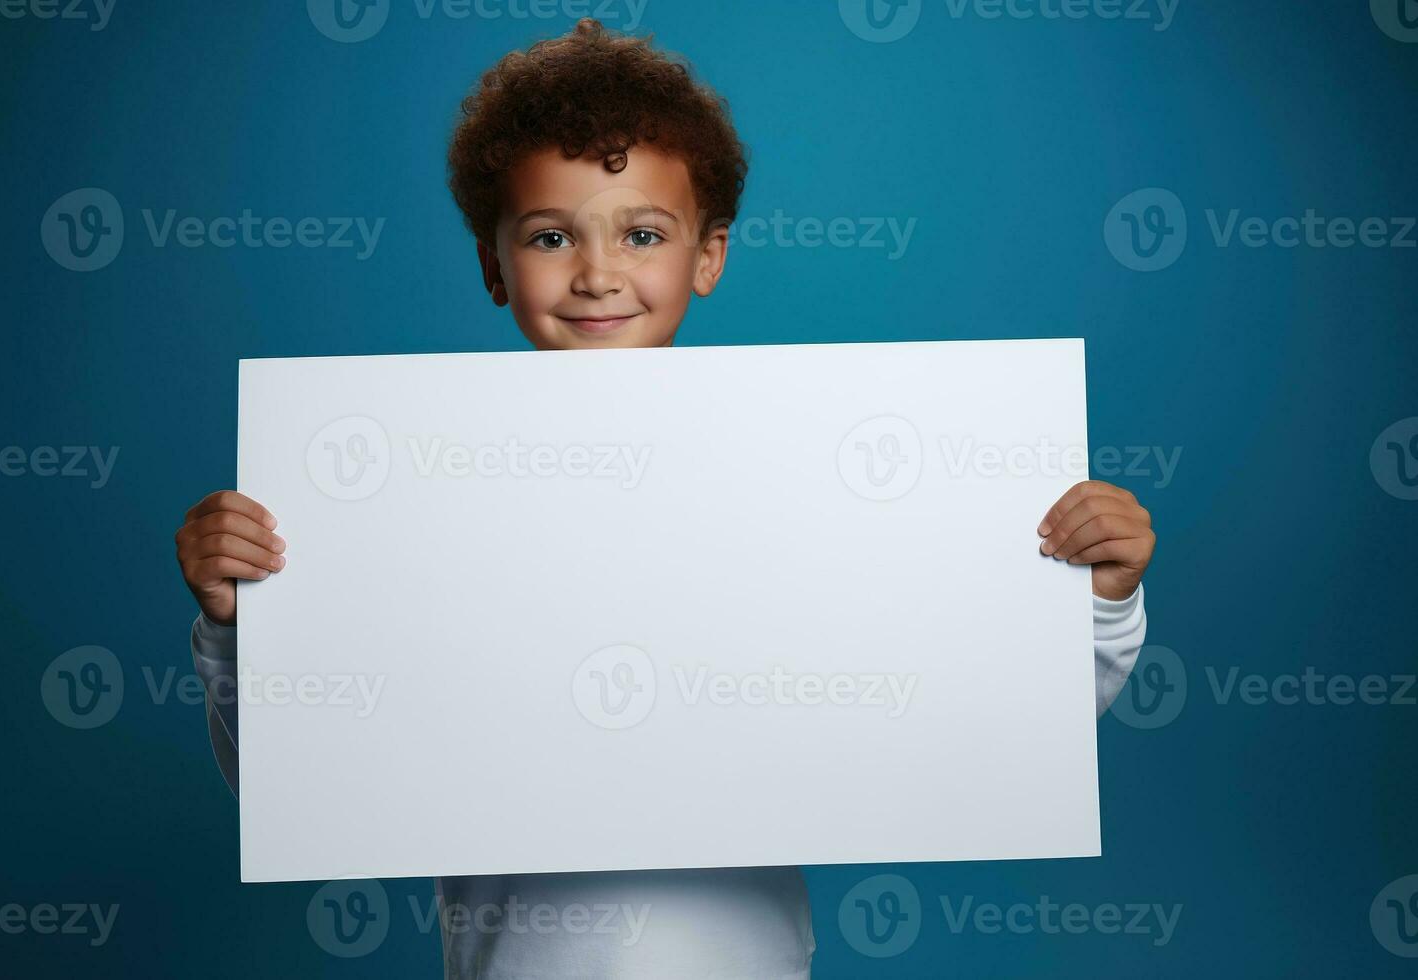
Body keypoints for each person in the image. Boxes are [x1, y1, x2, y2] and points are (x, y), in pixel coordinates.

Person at [175, 19, 1155, 979]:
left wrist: (1102, 599)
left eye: (642, 233)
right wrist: (233, 625)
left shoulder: (805, 475)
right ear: (492, 262)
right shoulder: (410, 499)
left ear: (708, 255)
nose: (599, 273)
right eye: (551, 235)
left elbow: (996, 717)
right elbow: (300, 772)